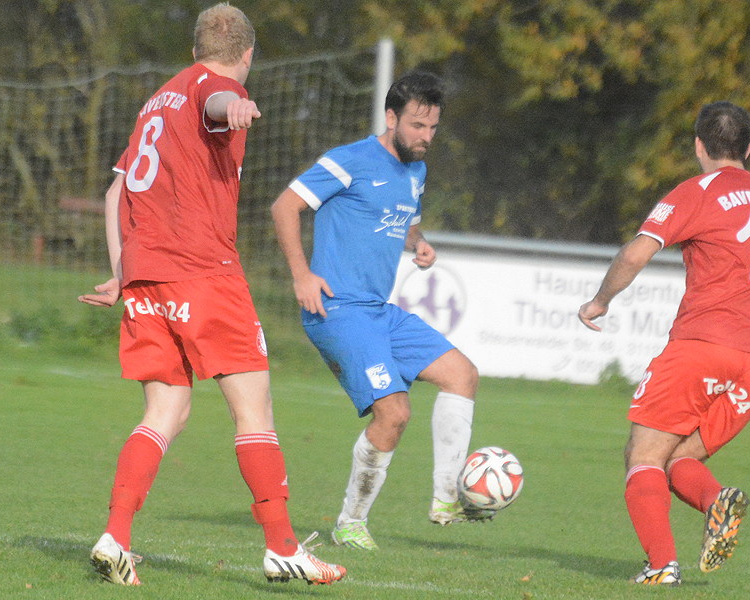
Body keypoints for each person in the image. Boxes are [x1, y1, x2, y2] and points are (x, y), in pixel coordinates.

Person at [77, 3, 345, 586]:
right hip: (204, 273)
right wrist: (235, 104)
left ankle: (115, 537)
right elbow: (218, 101)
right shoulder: (215, 88)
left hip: (146, 276)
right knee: (254, 411)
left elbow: (116, 192)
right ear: (247, 54)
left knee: (166, 412)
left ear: (195, 48)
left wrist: (121, 271)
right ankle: (283, 548)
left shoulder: (158, 99)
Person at [578, 101, 750, 586]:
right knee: (680, 459)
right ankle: (716, 501)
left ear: (699, 145)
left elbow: (635, 254)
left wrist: (600, 301)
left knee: (643, 456)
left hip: (701, 346)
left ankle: (661, 567)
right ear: (748, 149)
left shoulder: (697, 192)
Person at [271, 70, 490, 551]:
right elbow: (284, 206)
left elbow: (401, 219)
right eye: (417, 125)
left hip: (378, 311)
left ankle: (446, 500)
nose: (426, 136)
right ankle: (350, 523)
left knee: (463, 375)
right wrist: (302, 274)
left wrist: (418, 241)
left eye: (433, 128)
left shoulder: (416, 170)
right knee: (394, 412)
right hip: (337, 309)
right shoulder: (349, 160)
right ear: (391, 118)